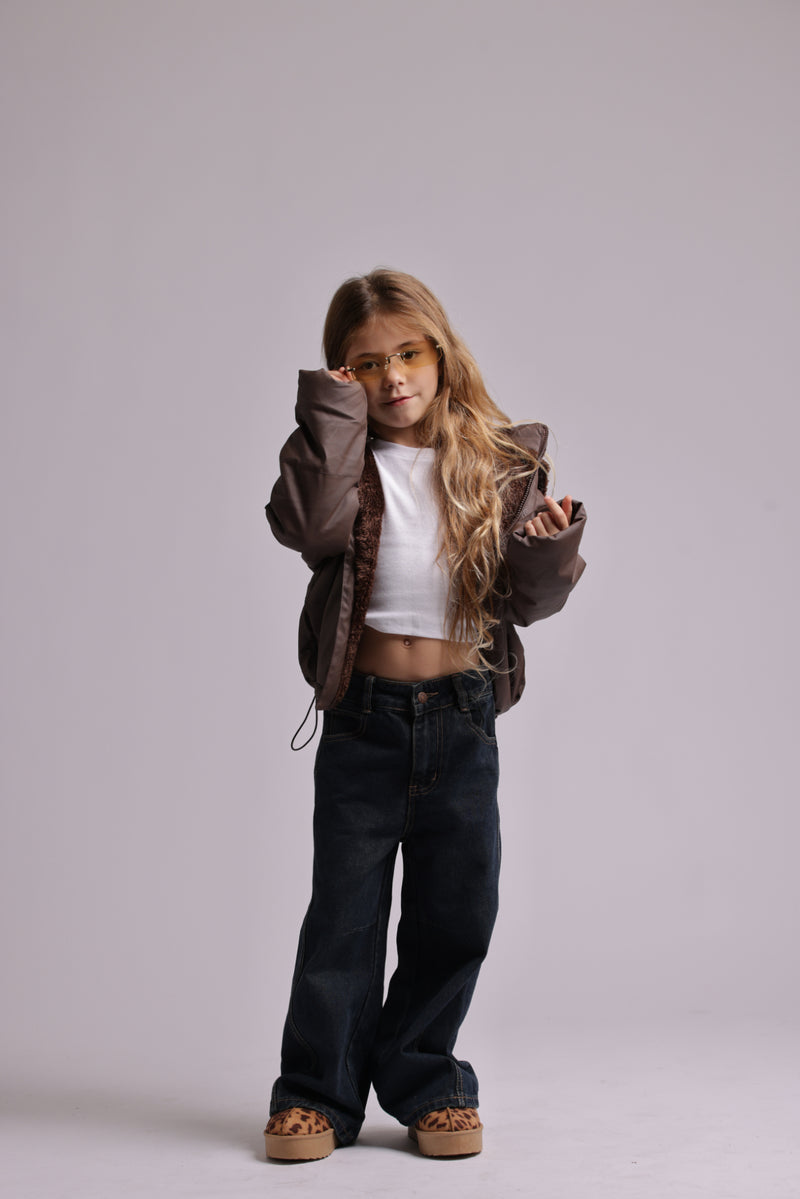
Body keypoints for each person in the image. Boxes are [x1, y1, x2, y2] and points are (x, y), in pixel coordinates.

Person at [263, 269, 586, 1161]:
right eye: (366, 364)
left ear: (440, 355)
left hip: (462, 716)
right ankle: (316, 1092)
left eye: (408, 354)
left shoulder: (496, 460)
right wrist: (332, 415)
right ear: (342, 375)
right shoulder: (336, 459)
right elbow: (307, 527)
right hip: (363, 719)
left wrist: (549, 546)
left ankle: (427, 1078)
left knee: (457, 908)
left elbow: (528, 604)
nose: (393, 376)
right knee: (344, 914)